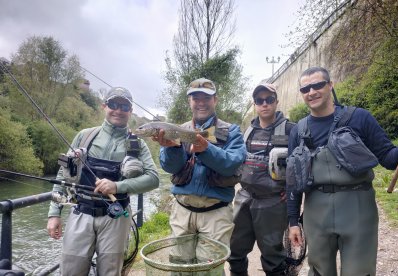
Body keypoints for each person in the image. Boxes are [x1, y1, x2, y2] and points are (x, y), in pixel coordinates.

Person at [286, 66, 398, 276]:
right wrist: (293, 221)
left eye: (318, 85)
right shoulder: (298, 131)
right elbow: (292, 181)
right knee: (318, 271)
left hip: (358, 208)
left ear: (330, 85)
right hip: (315, 210)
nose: (311, 92)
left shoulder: (360, 118)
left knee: (359, 271)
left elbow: (389, 160)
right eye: (305, 88)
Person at [46, 87, 159, 276]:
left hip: (117, 217)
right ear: (104, 106)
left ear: (130, 111)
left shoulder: (138, 144)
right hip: (80, 212)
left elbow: (154, 179)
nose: (118, 110)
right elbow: (62, 174)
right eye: (113, 104)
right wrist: (53, 214)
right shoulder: (84, 136)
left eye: (124, 106)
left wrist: (117, 186)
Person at [152, 77, 246, 265]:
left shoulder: (231, 131)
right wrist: (172, 148)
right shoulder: (178, 130)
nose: (201, 103)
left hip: (216, 214)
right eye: (196, 98)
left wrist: (206, 150)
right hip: (182, 212)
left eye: (206, 98)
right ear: (190, 102)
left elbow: (233, 164)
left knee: (209, 269)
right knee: (179, 266)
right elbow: (170, 167)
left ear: (215, 100)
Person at [228, 83, 295, 276]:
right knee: (235, 251)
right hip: (244, 198)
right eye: (259, 100)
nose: (264, 104)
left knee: (272, 256)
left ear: (276, 101)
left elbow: (303, 166)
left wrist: (292, 193)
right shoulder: (247, 131)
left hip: (273, 201)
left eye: (269, 99)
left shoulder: (291, 130)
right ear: (255, 104)